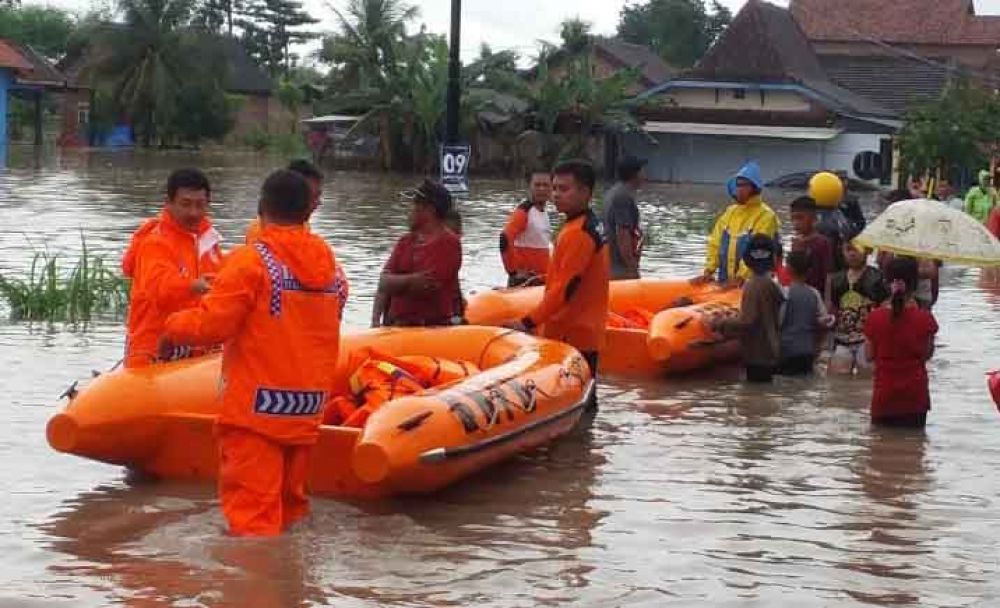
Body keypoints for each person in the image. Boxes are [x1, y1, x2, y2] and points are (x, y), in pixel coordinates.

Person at [159, 169, 348, 536]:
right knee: (291, 511)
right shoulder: (331, 266)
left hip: (255, 412)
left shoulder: (251, 262)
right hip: (306, 408)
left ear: (262, 208)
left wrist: (171, 328)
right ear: (307, 211)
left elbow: (212, 325)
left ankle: (257, 575)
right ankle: (291, 573)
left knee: (252, 523)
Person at [508, 159, 610, 400]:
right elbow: (575, 276)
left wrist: (527, 322)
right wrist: (542, 278)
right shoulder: (589, 224)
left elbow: (565, 289)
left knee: (572, 402)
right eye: (554, 188)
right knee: (585, 402)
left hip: (572, 335)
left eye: (564, 189)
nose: (555, 195)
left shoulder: (578, 233)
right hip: (586, 331)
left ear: (585, 192)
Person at [122, 168, 223, 368]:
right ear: (168, 203)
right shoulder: (155, 242)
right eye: (186, 204)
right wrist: (192, 286)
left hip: (197, 352)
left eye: (200, 205)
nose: (193, 212)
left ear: (208, 204)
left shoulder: (208, 240)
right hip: (153, 351)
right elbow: (157, 287)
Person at [372, 179, 462, 327]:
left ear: (429, 210)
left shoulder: (449, 243)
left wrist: (396, 282)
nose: (410, 210)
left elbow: (425, 286)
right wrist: (375, 321)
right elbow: (383, 283)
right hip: (397, 326)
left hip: (431, 328)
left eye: (414, 204)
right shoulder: (405, 241)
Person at [864, 256, 938, 428]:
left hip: (884, 395)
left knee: (881, 442)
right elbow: (927, 354)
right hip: (915, 397)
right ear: (915, 284)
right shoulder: (925, 319)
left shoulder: (874, 318)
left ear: (887, 283)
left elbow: (869, 355)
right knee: (914, 443)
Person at [711, 234, 784, 383]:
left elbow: (748, 320)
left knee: (756, 392)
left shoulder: (752, 285)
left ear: (746, 260)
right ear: (773, 259)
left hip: (757, 355)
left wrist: (720, 323)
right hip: (770, 351)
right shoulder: (772, 285)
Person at [701, 161, 780, 285]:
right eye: (737, 185)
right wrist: (708, 271)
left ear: (754, 187)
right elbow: (715, 243)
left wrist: (740, 278)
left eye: (743, 185)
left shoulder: (766, 216)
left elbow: (757, 252)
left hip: (753, 284)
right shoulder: (730, 212)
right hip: (725, 281)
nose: (738, 189)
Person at [827, 240, 889, 376]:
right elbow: (834, 308)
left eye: (856, 249)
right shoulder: (837, 279)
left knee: (867, 378)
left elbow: (885, 308)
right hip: (842, 338)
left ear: (867, 251)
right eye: (848, 250)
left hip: (867, 339)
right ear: (843, 252)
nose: (852, 254)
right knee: (837, 378)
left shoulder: (877, 278)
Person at [779, 251, 833, 376]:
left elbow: (779, 320)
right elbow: (825, 321)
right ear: (809, 271)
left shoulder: (783, 293)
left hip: (786, 350)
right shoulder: (814, 293)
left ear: (788, 268)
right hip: (808, 350)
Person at [246, 159, 324, 244]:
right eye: (313, 197)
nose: (318, 202)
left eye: (318, 196)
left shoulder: (302, 227)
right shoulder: (261, 234)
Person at [500, 171, 552, 287]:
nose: (542, 189)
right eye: (537, 185)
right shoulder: (524, 211)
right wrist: (513, 272)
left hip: (541, 279)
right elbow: (505, 238)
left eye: (546, 185)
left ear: (551, 188)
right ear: (529, 187)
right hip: (526, 282)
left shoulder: (544, 212)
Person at [604, 155, 646, 280]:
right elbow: (623, 235)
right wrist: (632, 268)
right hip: (619, 269)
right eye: (642, 171)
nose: (645, 174)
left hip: (611, 265)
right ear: (635, 174)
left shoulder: (613, 192)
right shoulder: (623, 197)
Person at [788, 196, 833, 294]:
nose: (796, 223)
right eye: (793, 218)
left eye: (800, 218)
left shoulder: (822, 243)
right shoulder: (796, 242)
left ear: (814, 219)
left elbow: (828, 275)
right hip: (798, 291)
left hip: (816, 293)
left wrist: (827, 300)